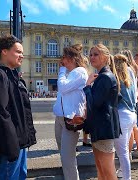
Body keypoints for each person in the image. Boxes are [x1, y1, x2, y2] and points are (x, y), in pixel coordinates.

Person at [0, 35, 36, 180]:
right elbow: (0, 113)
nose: (22, 55)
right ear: (4, 51)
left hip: (17, 141)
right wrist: (11, 145)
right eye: (18, 52)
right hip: (5, 145)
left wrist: (28, 136)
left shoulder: (11, 74)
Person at [83, 43, 120, 180]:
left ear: (105, 57)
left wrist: (87, 86)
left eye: (96, 54)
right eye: (91, 54)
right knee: (101, 168)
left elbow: (95, 103)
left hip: (103, 127)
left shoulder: (105, 77)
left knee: (108, 171)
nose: (92, 57)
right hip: (101, 126)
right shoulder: (102, 76)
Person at [53, 44, 88, 180]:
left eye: (65, 58)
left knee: (68, 157)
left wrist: (61, 70)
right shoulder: (71, 73)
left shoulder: (80, 72)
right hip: (61, 118)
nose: (63, 61)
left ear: (72, 58)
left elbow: (62, 88)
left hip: (71, 119)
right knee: (64, 154)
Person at [113, 54, 138, 180]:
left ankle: (126, 177)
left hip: (122, 115)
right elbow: (136, 95)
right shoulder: (131, 73)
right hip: (132, 114)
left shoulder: (116, 75)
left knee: (122, 152)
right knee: (125, 151)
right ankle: (123, 172)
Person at [119, 50, 138, 159]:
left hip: (128, 102)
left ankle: (130, 153)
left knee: (132, 128)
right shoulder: (134, 69)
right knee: (133, 127)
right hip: (133, 101)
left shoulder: (127, 70)